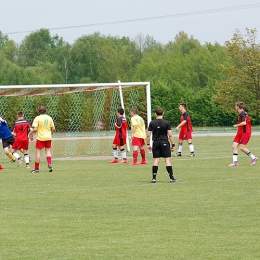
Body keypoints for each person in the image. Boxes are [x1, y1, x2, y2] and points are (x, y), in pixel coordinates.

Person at [147, 108, 179, 183]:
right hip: (164, 142)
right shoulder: (166, 122)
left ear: (155, 113)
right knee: (167, 160)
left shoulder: (152, 123)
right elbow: (170, 135)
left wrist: (148, 144)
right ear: (163, 113)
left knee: (156, 160)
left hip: (156, 142)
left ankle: (154, 178)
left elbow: (148, 135)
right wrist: (173, 144)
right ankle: (171, 178)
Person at [228, 101, 258, 167]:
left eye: (235, 106)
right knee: (234, 146)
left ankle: (254, 158)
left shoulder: (243, 114)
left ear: (238, 107)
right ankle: (235, 162)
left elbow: (244, 123)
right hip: (240, 132)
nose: (235, 107)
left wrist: (237, 125)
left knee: (242, 148)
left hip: (245, 133)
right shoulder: (240, 113)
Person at [29, 105, 55, 173]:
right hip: (48, 137)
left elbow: (35, 129)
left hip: (40, 138)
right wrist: (51, 133)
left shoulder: (37, 118)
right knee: (48, 151)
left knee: (38, 153)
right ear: (45, 110)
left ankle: (36, 169)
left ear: (38, 111)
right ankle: (49, 164)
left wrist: (30, 133)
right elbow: (53, 128)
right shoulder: (49, 118)